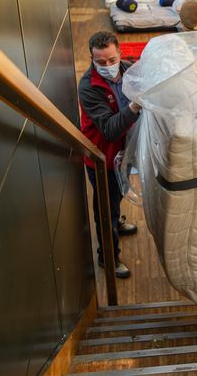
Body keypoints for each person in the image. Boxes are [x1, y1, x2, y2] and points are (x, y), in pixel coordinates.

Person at [78, 31, 141, 279]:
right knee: (106, 211)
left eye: (111, 59)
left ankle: (118, 219)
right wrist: (135, 106)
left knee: (119, 191)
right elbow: (110, 130)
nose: (107, 66)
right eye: (100, 62)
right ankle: (108, 257)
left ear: (119, 54)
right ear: (92, 58)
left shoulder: (128, 70)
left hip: (122, 154)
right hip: (102, 158)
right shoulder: (88, 87)